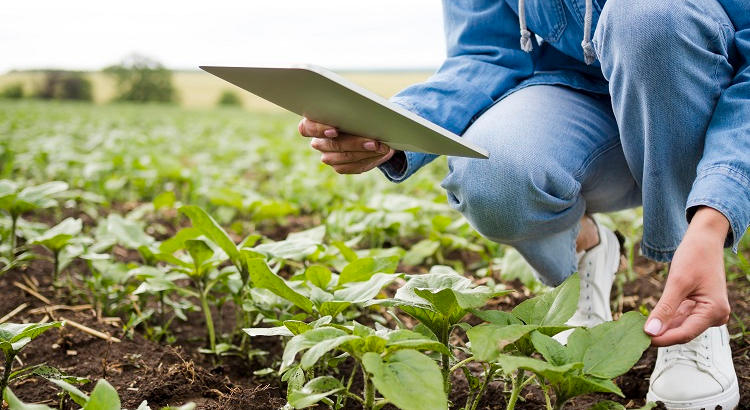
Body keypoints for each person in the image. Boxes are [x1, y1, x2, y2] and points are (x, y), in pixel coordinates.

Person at [298, 0, 748, 408]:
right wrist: (390, 129)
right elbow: (484, 52)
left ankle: (691, 305)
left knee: (650, 16)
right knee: (493, 176)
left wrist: (711, 220)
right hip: (573, 101)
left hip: (696, 105)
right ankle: (584, 249)